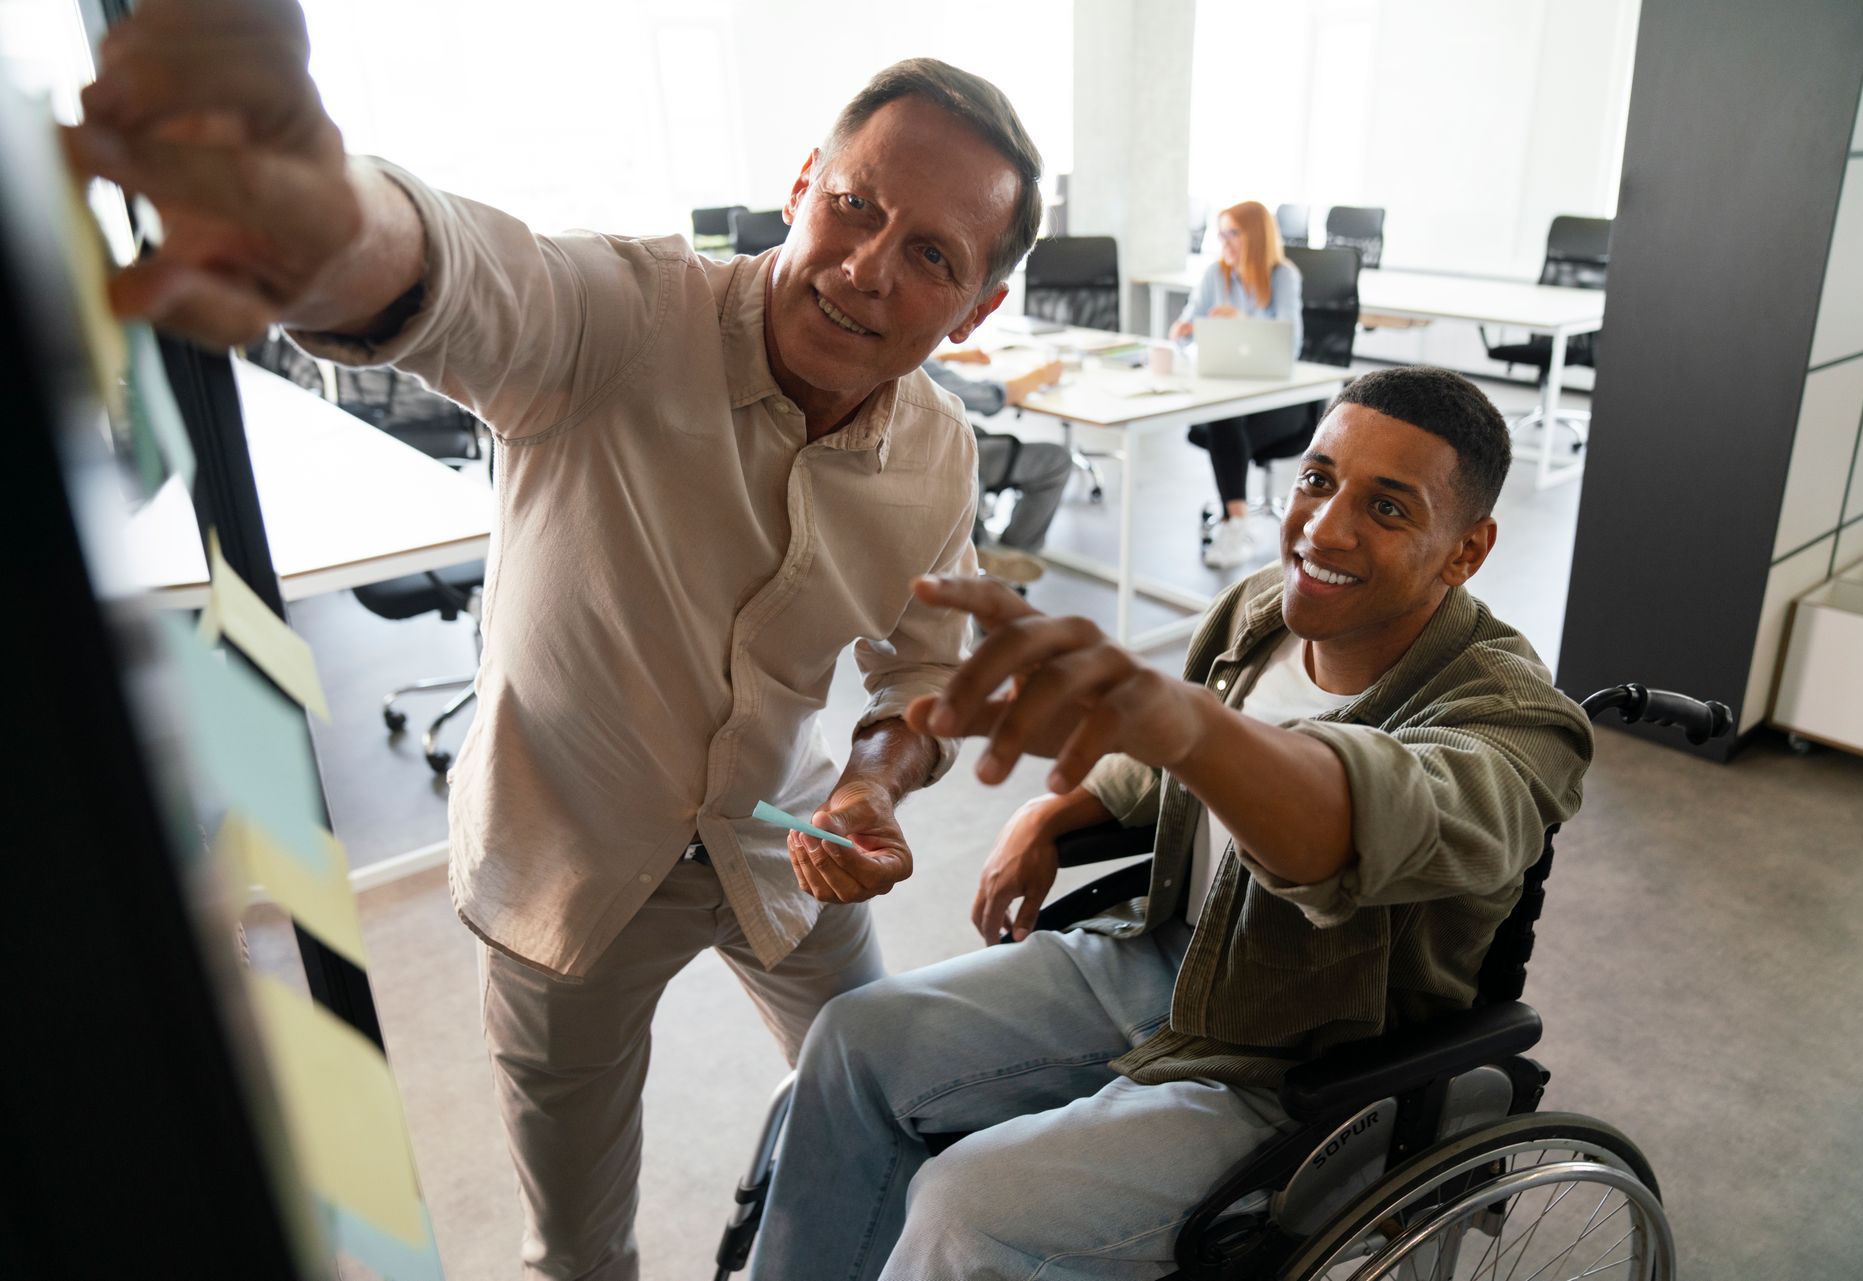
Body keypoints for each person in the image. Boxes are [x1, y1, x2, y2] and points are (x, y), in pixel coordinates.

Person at [66, 5, 1045, 1278]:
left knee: (901, 1123)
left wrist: (879, 775)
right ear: (803, 185)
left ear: (978, 305)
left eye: (929, 254)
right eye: (854, 206)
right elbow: (466, 277)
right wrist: (311, 213)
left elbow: (924, 665)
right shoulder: (625, 319)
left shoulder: (939, 453)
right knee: (577, 1250)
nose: (865, 268)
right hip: (569, 860)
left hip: (787, 848)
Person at [747, 366, 1594, 1281]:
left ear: (1467, 550)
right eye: (1317, 479)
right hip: (1169, 956)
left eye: (1388, 509)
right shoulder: (1260, 616)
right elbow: (1167, 762)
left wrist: (1187, 724)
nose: (1325, 528)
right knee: (851, 1042)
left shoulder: (1513, 717)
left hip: (1304, 1064)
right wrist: (1055, 809)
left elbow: (1368, 817)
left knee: (968, 1208)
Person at [1172, 201, 1306, 571]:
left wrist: (1240, 321)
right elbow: (1186, 328)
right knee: (1223, 416)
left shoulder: (1283, 276)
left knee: (1224, 420)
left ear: (1256, 236)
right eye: (1221, 234)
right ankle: (1238, 521)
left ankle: (1235, 524)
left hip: (1282, 401)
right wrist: (1186, 330)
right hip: (1230, 395)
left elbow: (1290, 347)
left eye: (1233, 233)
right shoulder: (1215, 275)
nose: (1225, 242)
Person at [922, 351, 1070, 585]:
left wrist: (953, 357)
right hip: (945, 456)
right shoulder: (913, 360)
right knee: (1055, 461)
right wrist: (1043, 375)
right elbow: (991, 397)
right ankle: (1010, 556)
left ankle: (986, 550)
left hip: (931, 452)